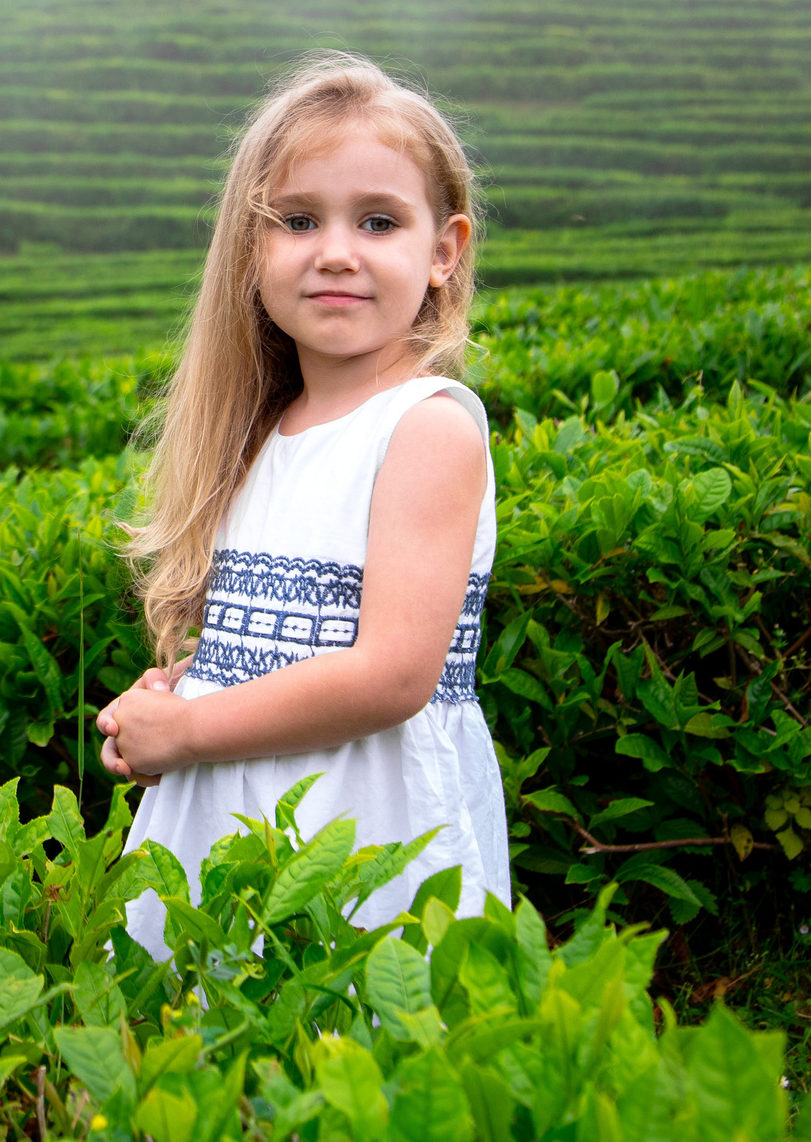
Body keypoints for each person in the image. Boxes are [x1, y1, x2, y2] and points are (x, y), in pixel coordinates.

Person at [95, 51, 508, 957]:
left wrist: (191, 729)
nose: (335, 251)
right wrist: (169, 698)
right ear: (252, 249)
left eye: (378, 220)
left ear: (445, 251)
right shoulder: (262, 428)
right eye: (297, 219)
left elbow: (392, 674)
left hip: (367, 827)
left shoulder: (427, 427)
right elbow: (275, 645)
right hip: (233, 815)